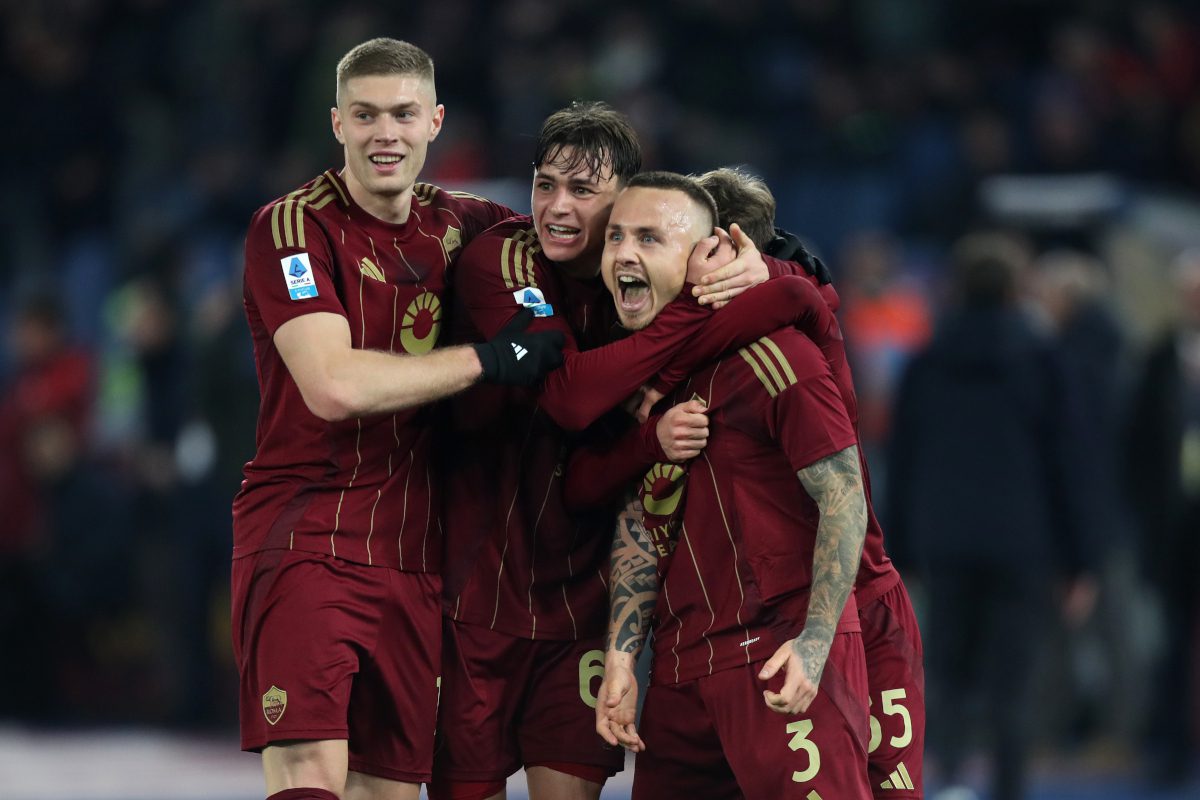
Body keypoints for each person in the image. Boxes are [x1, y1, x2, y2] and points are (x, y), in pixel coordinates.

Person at [434, 104, 831, 800]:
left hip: (584, 602)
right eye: (544, 184)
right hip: (477, 595)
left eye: (583, 192)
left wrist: (775, 276)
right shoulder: (508, 258)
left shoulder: (644, 282)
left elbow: (810, 304)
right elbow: (569, 398)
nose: (556, 208)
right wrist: (693, 314)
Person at [232, 38, 565, 800]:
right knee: (312, 778)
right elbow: (333, 386)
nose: (387, 132)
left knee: (387, 792)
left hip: (419, 560)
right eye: (367, 115)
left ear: (435, 121)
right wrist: (489, 360)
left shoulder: (475, 225)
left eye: (404, 114)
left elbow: (592, 233)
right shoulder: (291, 229)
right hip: (306, 536)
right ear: (337, 124)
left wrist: (756, 260)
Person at [593, 172, 873, 799]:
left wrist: (816, 642)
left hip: (779, 656)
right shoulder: (640, 383)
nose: (624, 255)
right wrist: (621, 658)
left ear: (705, 254)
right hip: (680, 673)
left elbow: (843, 495)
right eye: (615, 238)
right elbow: (643, 520)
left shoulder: (776, 355)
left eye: (648, 237)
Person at [692, 166, 927, 799]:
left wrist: (816, 638)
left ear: (728, 243)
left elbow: (841, 496)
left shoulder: (786, 340)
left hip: (844, 601)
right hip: (777, 611)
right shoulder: (753, 319)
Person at [886, 233, 1092, 800]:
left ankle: (946, 782)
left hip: (944, 545)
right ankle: (1008, 789)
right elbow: (1069, 465)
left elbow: (901, 462)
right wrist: (1080, 561)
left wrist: (897, 550)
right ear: (1016, 288)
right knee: (1012, 683)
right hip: (1024, 544)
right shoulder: (1044, 362)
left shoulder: (926, 362)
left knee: (946, 673)